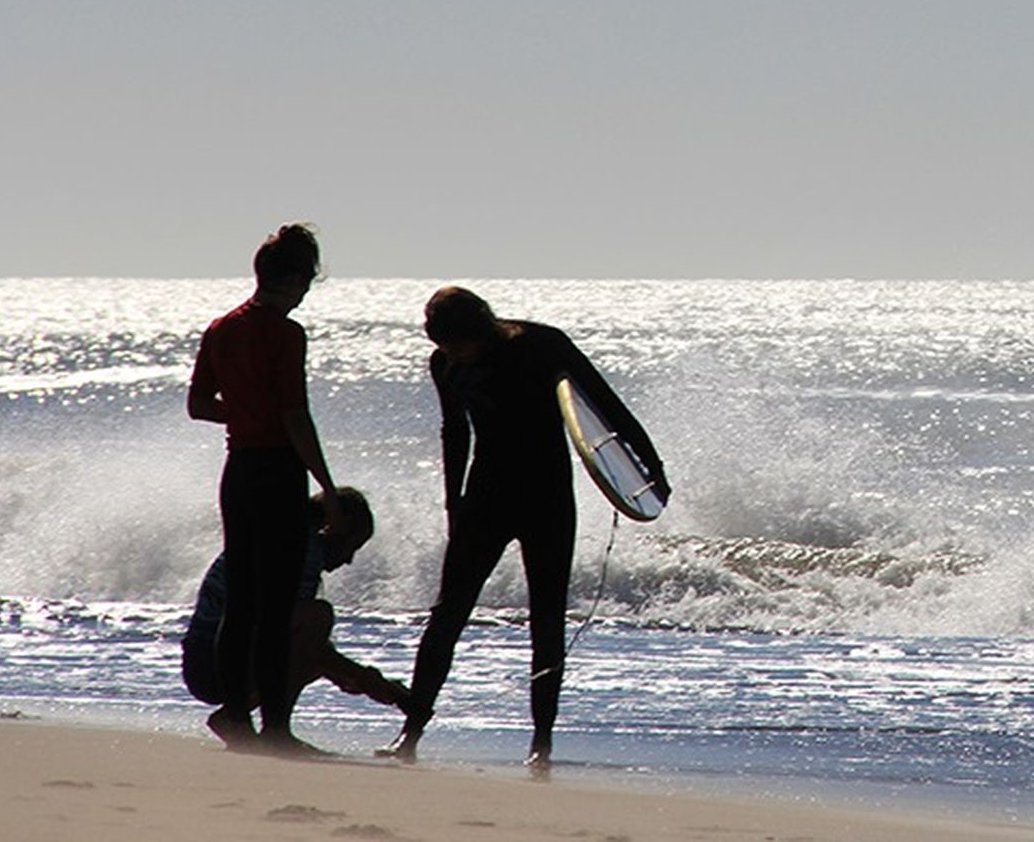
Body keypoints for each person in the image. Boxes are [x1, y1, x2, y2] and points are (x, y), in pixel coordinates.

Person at [380, 286, 670, 770]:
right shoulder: (445, 364)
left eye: (455, 344)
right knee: (447, 613)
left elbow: (602, 406)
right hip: (486, 498)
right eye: (443, 347)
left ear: (479, 330)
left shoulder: (542, 345)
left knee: (547, 618)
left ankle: (542, 743)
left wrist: (649, 467)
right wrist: (454, 504)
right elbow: (455, 431)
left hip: (546, 499)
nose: (450, 355)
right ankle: (410, 731)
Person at [187, 223, 346, 755]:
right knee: (276, 606)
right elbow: (296, 416)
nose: (305, 293)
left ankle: (237, 717)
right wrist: (327, 485)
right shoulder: (286, 333)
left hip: (238, 471)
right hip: (278, 471)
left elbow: (200, 405)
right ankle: (276, 729)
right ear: (295, 278)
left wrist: (245, 412)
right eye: (306, 281)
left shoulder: (221, 328)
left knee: (244, 601)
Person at [182, 487, 411, 730]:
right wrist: (366, 678)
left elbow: (302, 645)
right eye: (352, 546)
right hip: (213, 666)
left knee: (315, 652)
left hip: (204, 664)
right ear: (334, 529)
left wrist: (358, 678)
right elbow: (306, 645)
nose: (349, 560)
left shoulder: (287, 535)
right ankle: (269, 728)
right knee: (318, 617)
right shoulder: (302, 547)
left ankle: (244, 719)